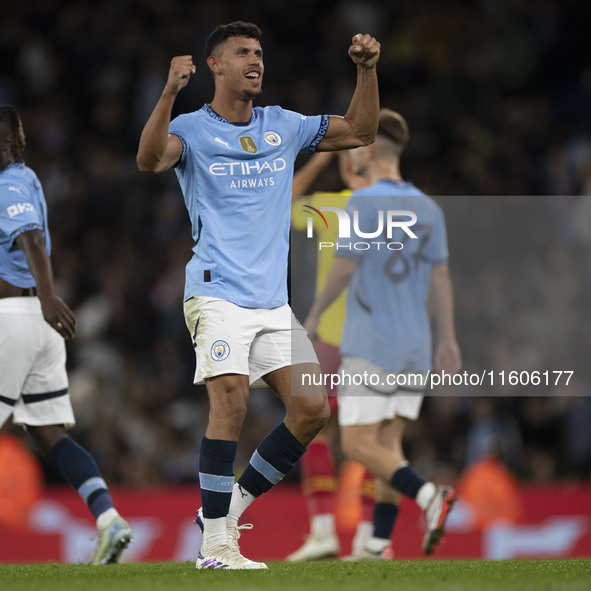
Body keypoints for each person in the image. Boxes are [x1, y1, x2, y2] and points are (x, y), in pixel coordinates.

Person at [136, 21, 380, 570]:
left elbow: (362, 130)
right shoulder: (193, 129)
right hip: (217, 293)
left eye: (261, 53)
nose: (256, 60)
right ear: (215, 65)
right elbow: (150, 160)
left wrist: (365, 69)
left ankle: (224, 510)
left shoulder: (284, 126)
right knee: (232, 399)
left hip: (272, 303)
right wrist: (170, 91)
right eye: (243, 52)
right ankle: (217, 547)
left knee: (312, 409)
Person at [304, 108, 462, 558]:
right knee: (389, 445)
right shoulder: (429, 207)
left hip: (372, 341)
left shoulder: (365, 202)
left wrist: (314, 314)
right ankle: (377, 543)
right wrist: (446, 337)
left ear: (370, 151)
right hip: (416, 343)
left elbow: (346, 266)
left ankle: (430, 496)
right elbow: (441, 279)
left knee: (357, 444)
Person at [0, 104, 133, 564]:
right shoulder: (29, 179)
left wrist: (48, 296)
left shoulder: (10, 183)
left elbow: (31, 237)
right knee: (48, 434)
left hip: (16, 316)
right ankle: (108, 518)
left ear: (5, 144)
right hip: (36, 325)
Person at [287, 151, 377, 561]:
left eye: (361, 153)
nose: (350, 160)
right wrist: (317, 163)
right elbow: (281, 203)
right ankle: (323, 532)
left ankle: (369, 538)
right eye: (345, 153)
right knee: (313, 429)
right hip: (328, 340)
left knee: (368, 439)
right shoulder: (329, 206)